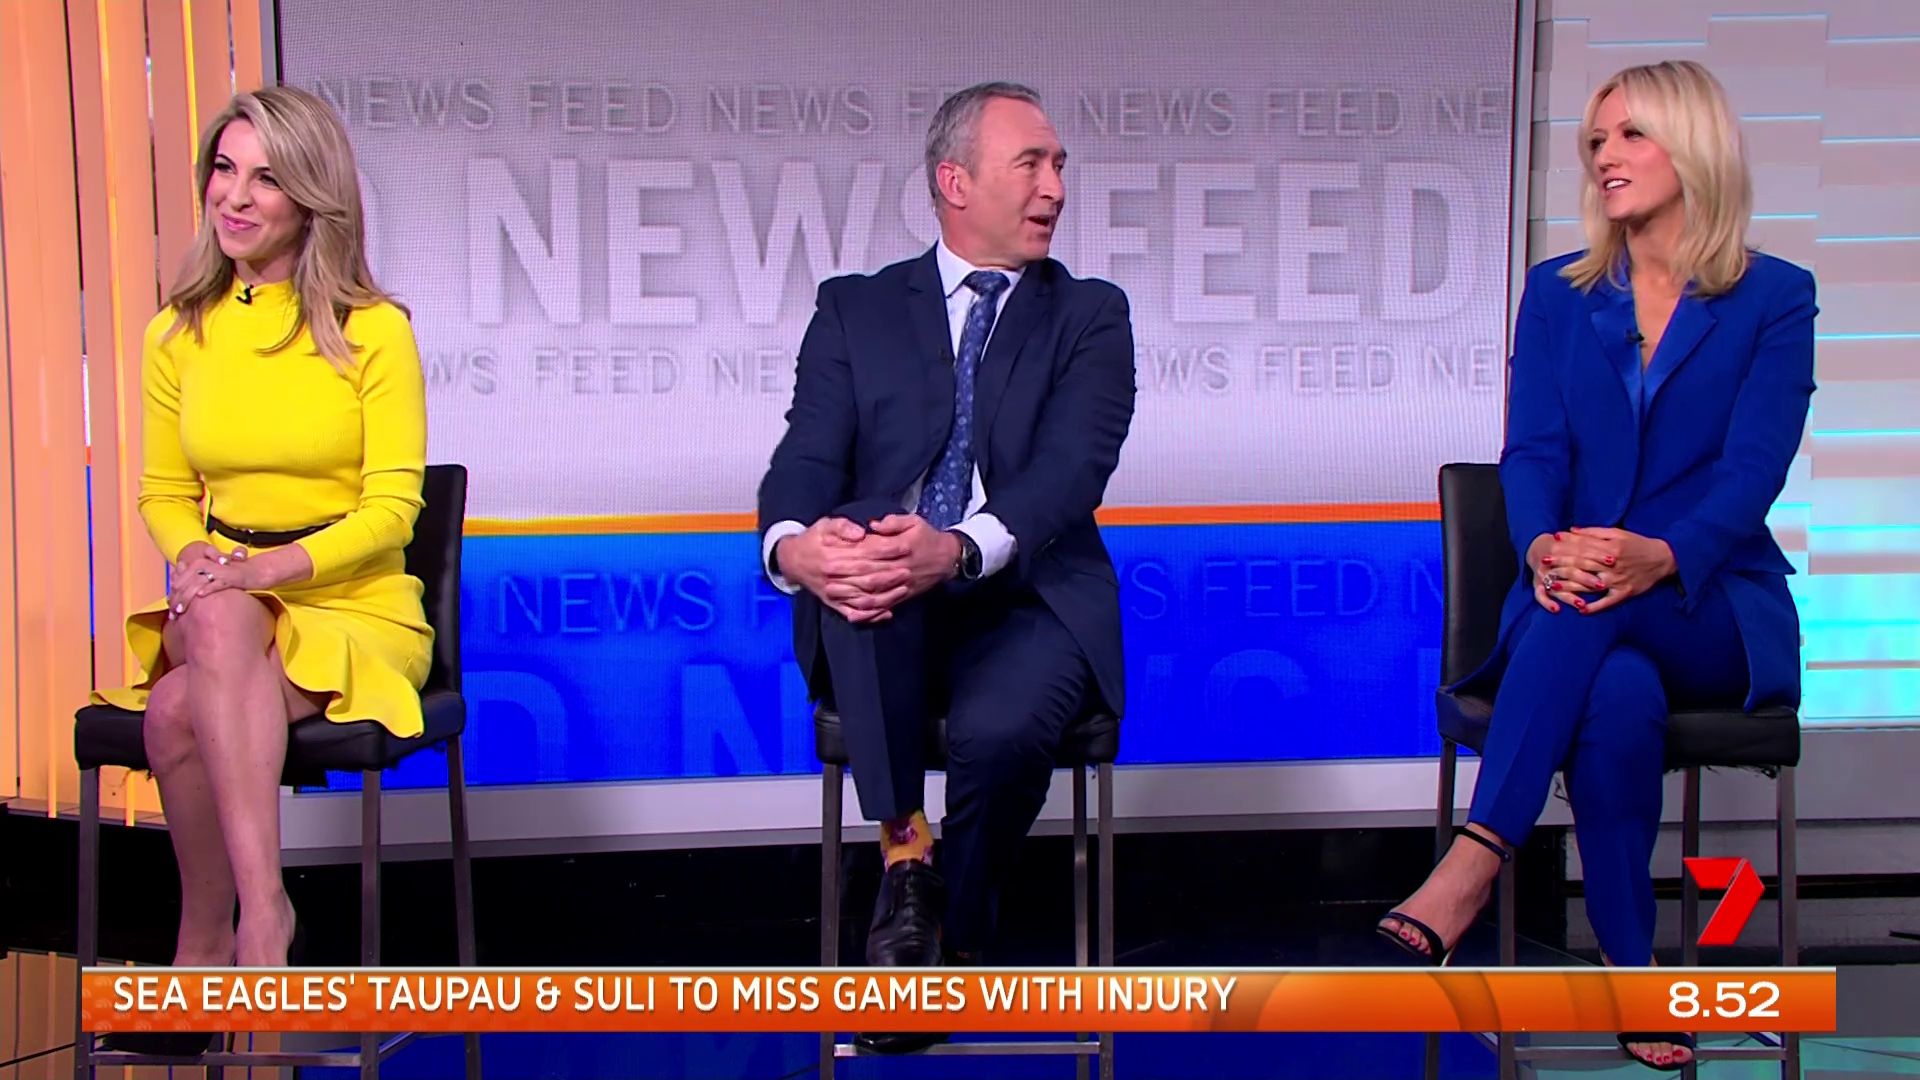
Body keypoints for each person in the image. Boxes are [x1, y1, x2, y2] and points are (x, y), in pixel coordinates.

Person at [1375, 60, 1814, 1071]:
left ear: (1693, 147)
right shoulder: (1559, 294)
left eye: (1630, 136)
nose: (1606, 157)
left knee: (1588, 610)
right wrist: (1539, 545)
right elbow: (1532, 453)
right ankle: (1632, 973)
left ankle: (1478, 855)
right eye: (1597, 141)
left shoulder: (1775, 297)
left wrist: (1661, 553)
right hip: (1578, 591)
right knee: (1613, 687)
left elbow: (1754, 469)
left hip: (1712, 602)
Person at [757, 81, 1134, 1052]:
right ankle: (905, 849)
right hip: (882, 600)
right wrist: (793, 546)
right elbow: (806, 454)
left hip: (1028, 598)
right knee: (853, 535)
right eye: (1032, 164)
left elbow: (1070, 473)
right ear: (955, 181)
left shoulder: (1090, 314)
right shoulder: (855, 307)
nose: (1056, 187)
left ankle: (934, 944)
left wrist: (959, 548)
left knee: (1000, 732)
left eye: (1059, 166)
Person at [92, 86, 429, 1051]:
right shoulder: (178, 332)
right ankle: (247, 922)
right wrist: (194, 553)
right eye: (224, 169)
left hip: (353, 601)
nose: (234, 197)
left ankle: (228, 939)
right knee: (180, 691)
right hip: (231, 603)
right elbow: (164, 492)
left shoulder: (373, 330)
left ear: (313, 195)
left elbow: (393, 509)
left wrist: (261, 570)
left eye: (266, 178)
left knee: (186, 687)